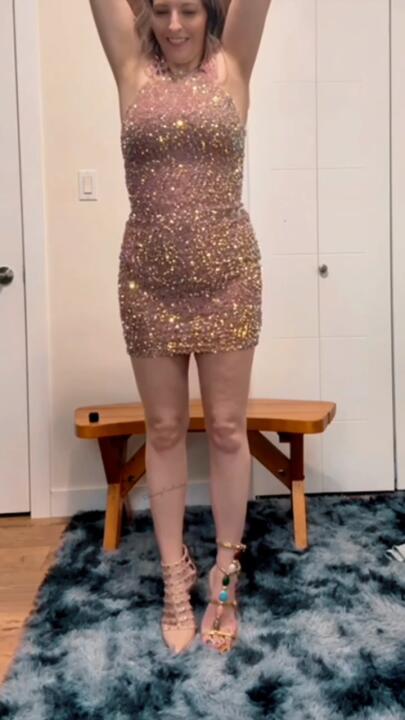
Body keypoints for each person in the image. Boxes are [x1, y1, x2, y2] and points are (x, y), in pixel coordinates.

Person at [89, 0, 271, 654]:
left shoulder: (234, 62)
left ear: (209, 10)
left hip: (228, 278)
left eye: (188, 10)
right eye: (161, 9)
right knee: (163, 429)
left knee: (226, 428)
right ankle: (174, 574)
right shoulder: (131, 68)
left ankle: (225, 575)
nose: (173, 25)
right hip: (148, 281)